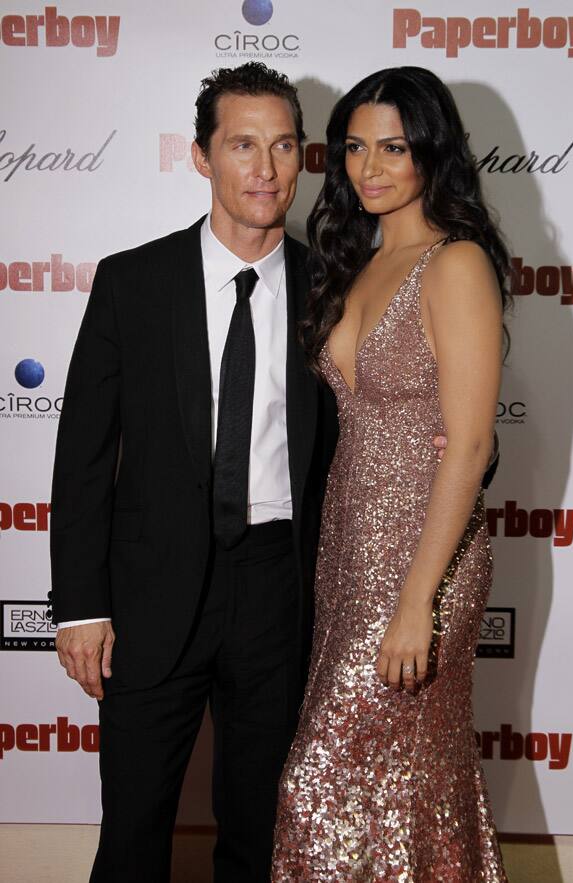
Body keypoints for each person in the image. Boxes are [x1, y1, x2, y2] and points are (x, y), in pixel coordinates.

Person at [49, 62, 461, 882]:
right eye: (242, 145)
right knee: (132, 829)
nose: (265, 170)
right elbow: (84, 455)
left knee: (260, 832)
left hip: (279, 586)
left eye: (282, 146)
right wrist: (80, 605)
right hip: (151, 585)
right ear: (202, 157)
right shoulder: (133, 282)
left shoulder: (334, 286)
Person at [272, 66, 509, 881]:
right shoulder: (360, 261)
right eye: (354, 148)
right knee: (401, 787)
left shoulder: (457, 265)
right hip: (348, 551)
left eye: (394, 147)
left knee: (320, 784)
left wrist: (417, 602)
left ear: (431, 153)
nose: (369, 167)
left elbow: (471, 445)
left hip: (422, 560)